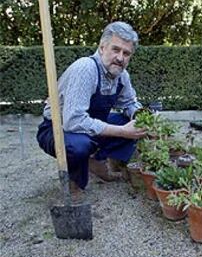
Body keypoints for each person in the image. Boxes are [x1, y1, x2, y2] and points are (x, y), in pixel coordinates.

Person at [37, 21, 146, 198]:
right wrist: (122, 132)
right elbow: (73, 121)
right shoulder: (85, 69)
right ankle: (75, 184)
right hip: (58, 129)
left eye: (126, 53)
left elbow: (129, 103)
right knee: (79, 145)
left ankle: (97, 161)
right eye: (115, 49)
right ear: (102, 47)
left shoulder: (121, 75)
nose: (120, 57)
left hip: (89, 125)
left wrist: (140, 116)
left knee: (134, 123)